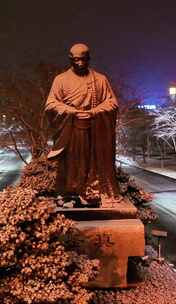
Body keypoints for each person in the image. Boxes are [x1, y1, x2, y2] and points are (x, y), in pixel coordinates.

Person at [45, 43, 120, 204]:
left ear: (89, 59)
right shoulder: (61, 80)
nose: (80, 63)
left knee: (93, 163)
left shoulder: (100, 79)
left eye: (84, 60)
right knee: (71, 162)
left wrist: (94, 111)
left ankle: (92, 192)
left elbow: (112, 102)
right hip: (71, 130)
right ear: (71, 59)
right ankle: (71, 192)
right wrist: (71, 111)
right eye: (76, 60)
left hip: (95, 130)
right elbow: (50, 104)